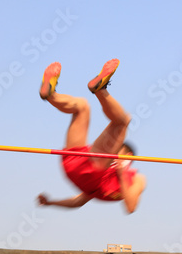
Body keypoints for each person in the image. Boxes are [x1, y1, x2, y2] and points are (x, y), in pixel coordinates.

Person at [37, 59, 146, 214]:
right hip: (76, 161)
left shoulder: (136, 179)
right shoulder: (107, 166)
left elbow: (130, 207)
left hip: (88, 171)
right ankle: (51, 95)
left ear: (128, 156)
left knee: (123, 121)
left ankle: (101, 90)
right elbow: (78, 201)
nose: (114, 155)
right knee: (81, 106)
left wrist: (121, 172)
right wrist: (50, 203)